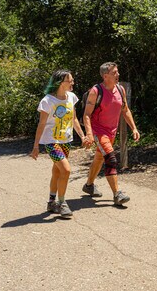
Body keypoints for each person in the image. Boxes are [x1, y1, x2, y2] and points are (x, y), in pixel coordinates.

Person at [31, 69, 90, 218]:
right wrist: (36, 146)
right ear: (59, 83)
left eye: (72, 80)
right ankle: (62, 203)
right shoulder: (47, 101)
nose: (72, 83)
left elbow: (74, 119)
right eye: (69, 80)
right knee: (66, 170)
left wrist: (82, 136)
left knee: (58, 171)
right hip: (51, 141)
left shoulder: (71, 97)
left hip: (66, 140)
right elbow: (42, 124)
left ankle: (51, 202)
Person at [82, 62, 140, 206]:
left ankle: (89, 185)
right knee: (110, 158)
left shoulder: (120, 89)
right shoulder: (96, 91)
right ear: (105, 76)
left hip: (111, 132)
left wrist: (134, 128)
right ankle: (117, 194)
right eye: (114, 73)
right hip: (98, 130)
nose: (118, 74)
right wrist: (89, 134)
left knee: (100, 158)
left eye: (117, 72)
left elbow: (125, 110)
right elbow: (87, 115)